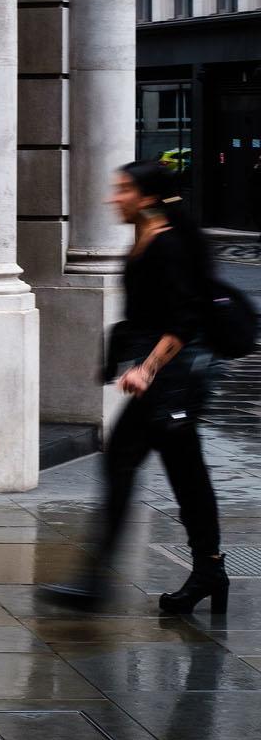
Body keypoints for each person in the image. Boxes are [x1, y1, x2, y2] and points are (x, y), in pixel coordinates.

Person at [41, 160, 227, 614]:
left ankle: (97, 583)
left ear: (146, 198)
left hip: (171, 386)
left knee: (138, 469)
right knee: (182, 476)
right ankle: (207, 569)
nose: (113, 197)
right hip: (165, 387)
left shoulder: (169, 246)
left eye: (122, 189)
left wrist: (146, 368)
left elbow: (183, 320)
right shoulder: (147, 239)